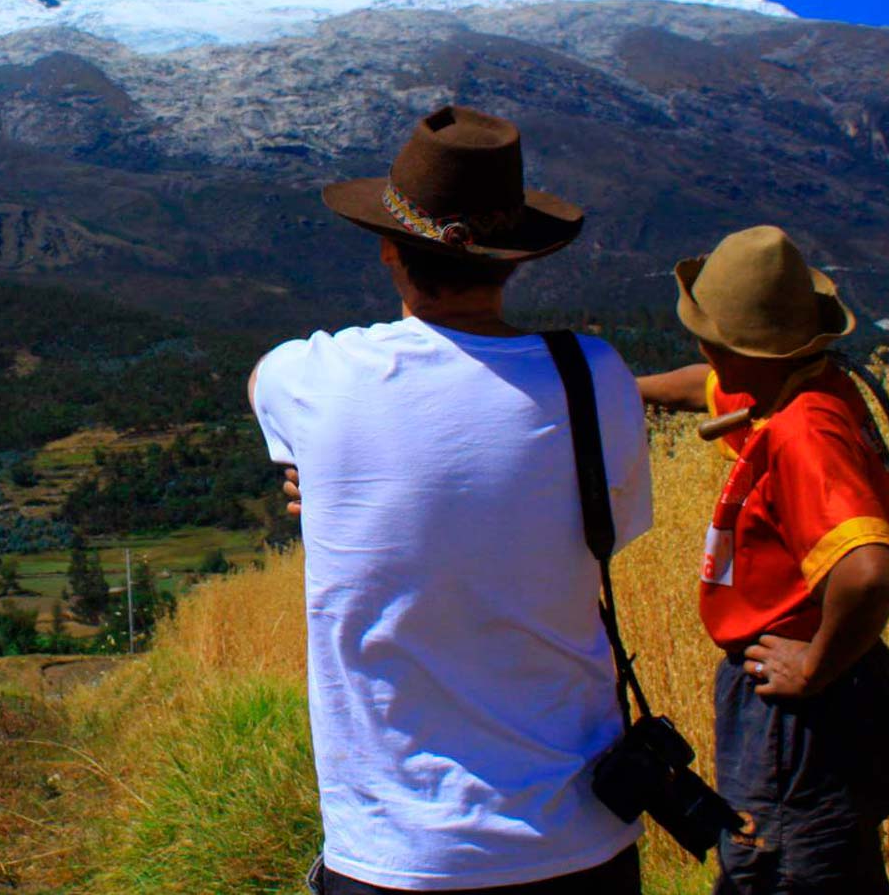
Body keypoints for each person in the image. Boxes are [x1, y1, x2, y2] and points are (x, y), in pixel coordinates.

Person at [251, 105, 653, 894]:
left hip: (397, 847)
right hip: (581, 837)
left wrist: (317, 469)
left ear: (389, 252)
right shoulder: (596, 377)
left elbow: (259, 381)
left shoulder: (315, 378)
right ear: (516, 260)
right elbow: (610, 533)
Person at [638, 226, 889, 893]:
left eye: (707, 335)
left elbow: (871, 570)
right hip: (829, 691)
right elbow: (704, 385)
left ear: (735, 349)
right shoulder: (793, 382)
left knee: (779, 869)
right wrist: (621, 388)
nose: (699, 346)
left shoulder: (803, 432)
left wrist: (814, 667)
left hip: (800, 712)